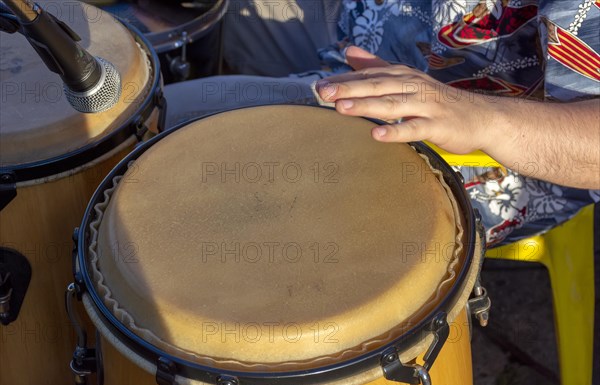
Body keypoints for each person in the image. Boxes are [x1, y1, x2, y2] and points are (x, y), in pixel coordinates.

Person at [164, 0, 599, 246]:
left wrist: (485, 119)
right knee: (170, 24)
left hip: (470, 135)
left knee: (157, 125)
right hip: (367, 23)